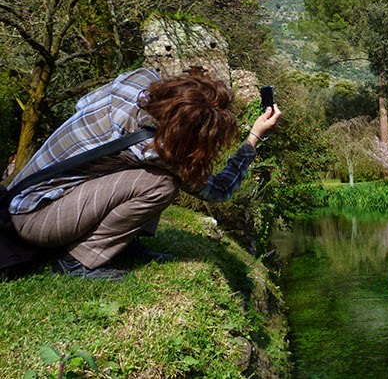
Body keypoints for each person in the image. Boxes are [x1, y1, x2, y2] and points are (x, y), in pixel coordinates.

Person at [6, 68, 280, 280]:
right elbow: (219, 189)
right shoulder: (151, 148)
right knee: (161, 183)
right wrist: (253, 137)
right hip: (34, 219)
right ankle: (78, 261)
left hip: (24, 196)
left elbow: (83, 103)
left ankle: (121, 245)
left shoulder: (137, 81)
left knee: (144, 171)